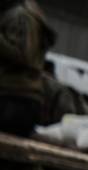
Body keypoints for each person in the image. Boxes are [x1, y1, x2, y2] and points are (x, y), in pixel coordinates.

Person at [0, 0, 53, 137]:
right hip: (15, 97)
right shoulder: (18, 12)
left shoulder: (21, 15)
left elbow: (22, 54)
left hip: (15, 99)